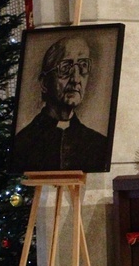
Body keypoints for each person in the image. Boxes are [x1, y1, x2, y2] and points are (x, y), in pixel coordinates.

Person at [12, 36, 108, 172]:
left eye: (83, 66)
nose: (76, 79)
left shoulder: (98, 143)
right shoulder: (23, 143)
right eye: (65, 68)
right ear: (45, 83)